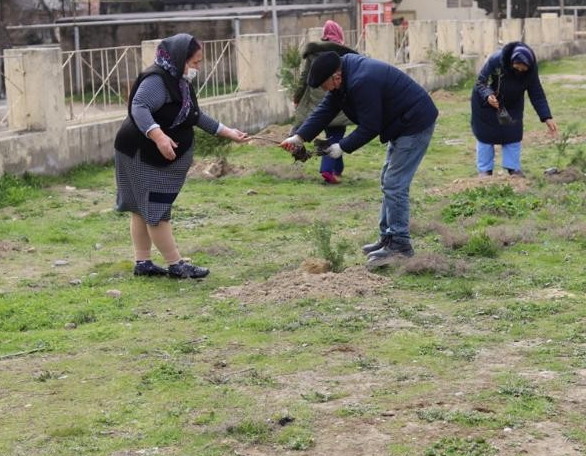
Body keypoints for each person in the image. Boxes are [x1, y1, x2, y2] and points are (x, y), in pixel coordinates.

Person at [280, 51, 438, 267]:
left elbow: (370, 126)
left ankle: (401, 246)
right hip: (400, 122)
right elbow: (326, 109)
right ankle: (388, 238)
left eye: (325, 86)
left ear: (336, 77)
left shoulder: (362, 80)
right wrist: (299, 136)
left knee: (395, 183)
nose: (325, 90)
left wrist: (341, 147)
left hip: (414, 123)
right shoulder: (344, 72)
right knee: (387, 179)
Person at [114, 33, 250, 279]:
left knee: (143, 209)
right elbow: (139, 106)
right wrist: (159, 136)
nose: (198, 67)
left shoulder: (179, 82)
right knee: (155, 209)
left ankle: (143, 263)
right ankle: (176, 264)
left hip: (143, 151)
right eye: (195, 62)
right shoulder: (157, 80)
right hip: (139, 152)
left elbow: (194, 116)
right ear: (180, 59)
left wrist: (228, 132)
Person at [471, 42, 558, 178]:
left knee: (512, 133)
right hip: (486, 103)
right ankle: (485, 171)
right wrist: (488, 95)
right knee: (486, 136)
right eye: (517, 68)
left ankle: (513, 169)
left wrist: (546, 117)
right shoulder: (496, 60)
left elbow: (536, 93)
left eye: (523, 69)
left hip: (511, 104)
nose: (520, 71)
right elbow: (481, 82)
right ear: (512, 62)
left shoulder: (531, 69)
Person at [292, 20, 358, 184]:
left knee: (330, 134)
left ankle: (338, 169)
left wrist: (297, 97)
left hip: (316, 102)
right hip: (337, 101)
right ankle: (328, 169)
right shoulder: (343, 54)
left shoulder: (314, 52)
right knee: (336, 135)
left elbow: (304, 77)